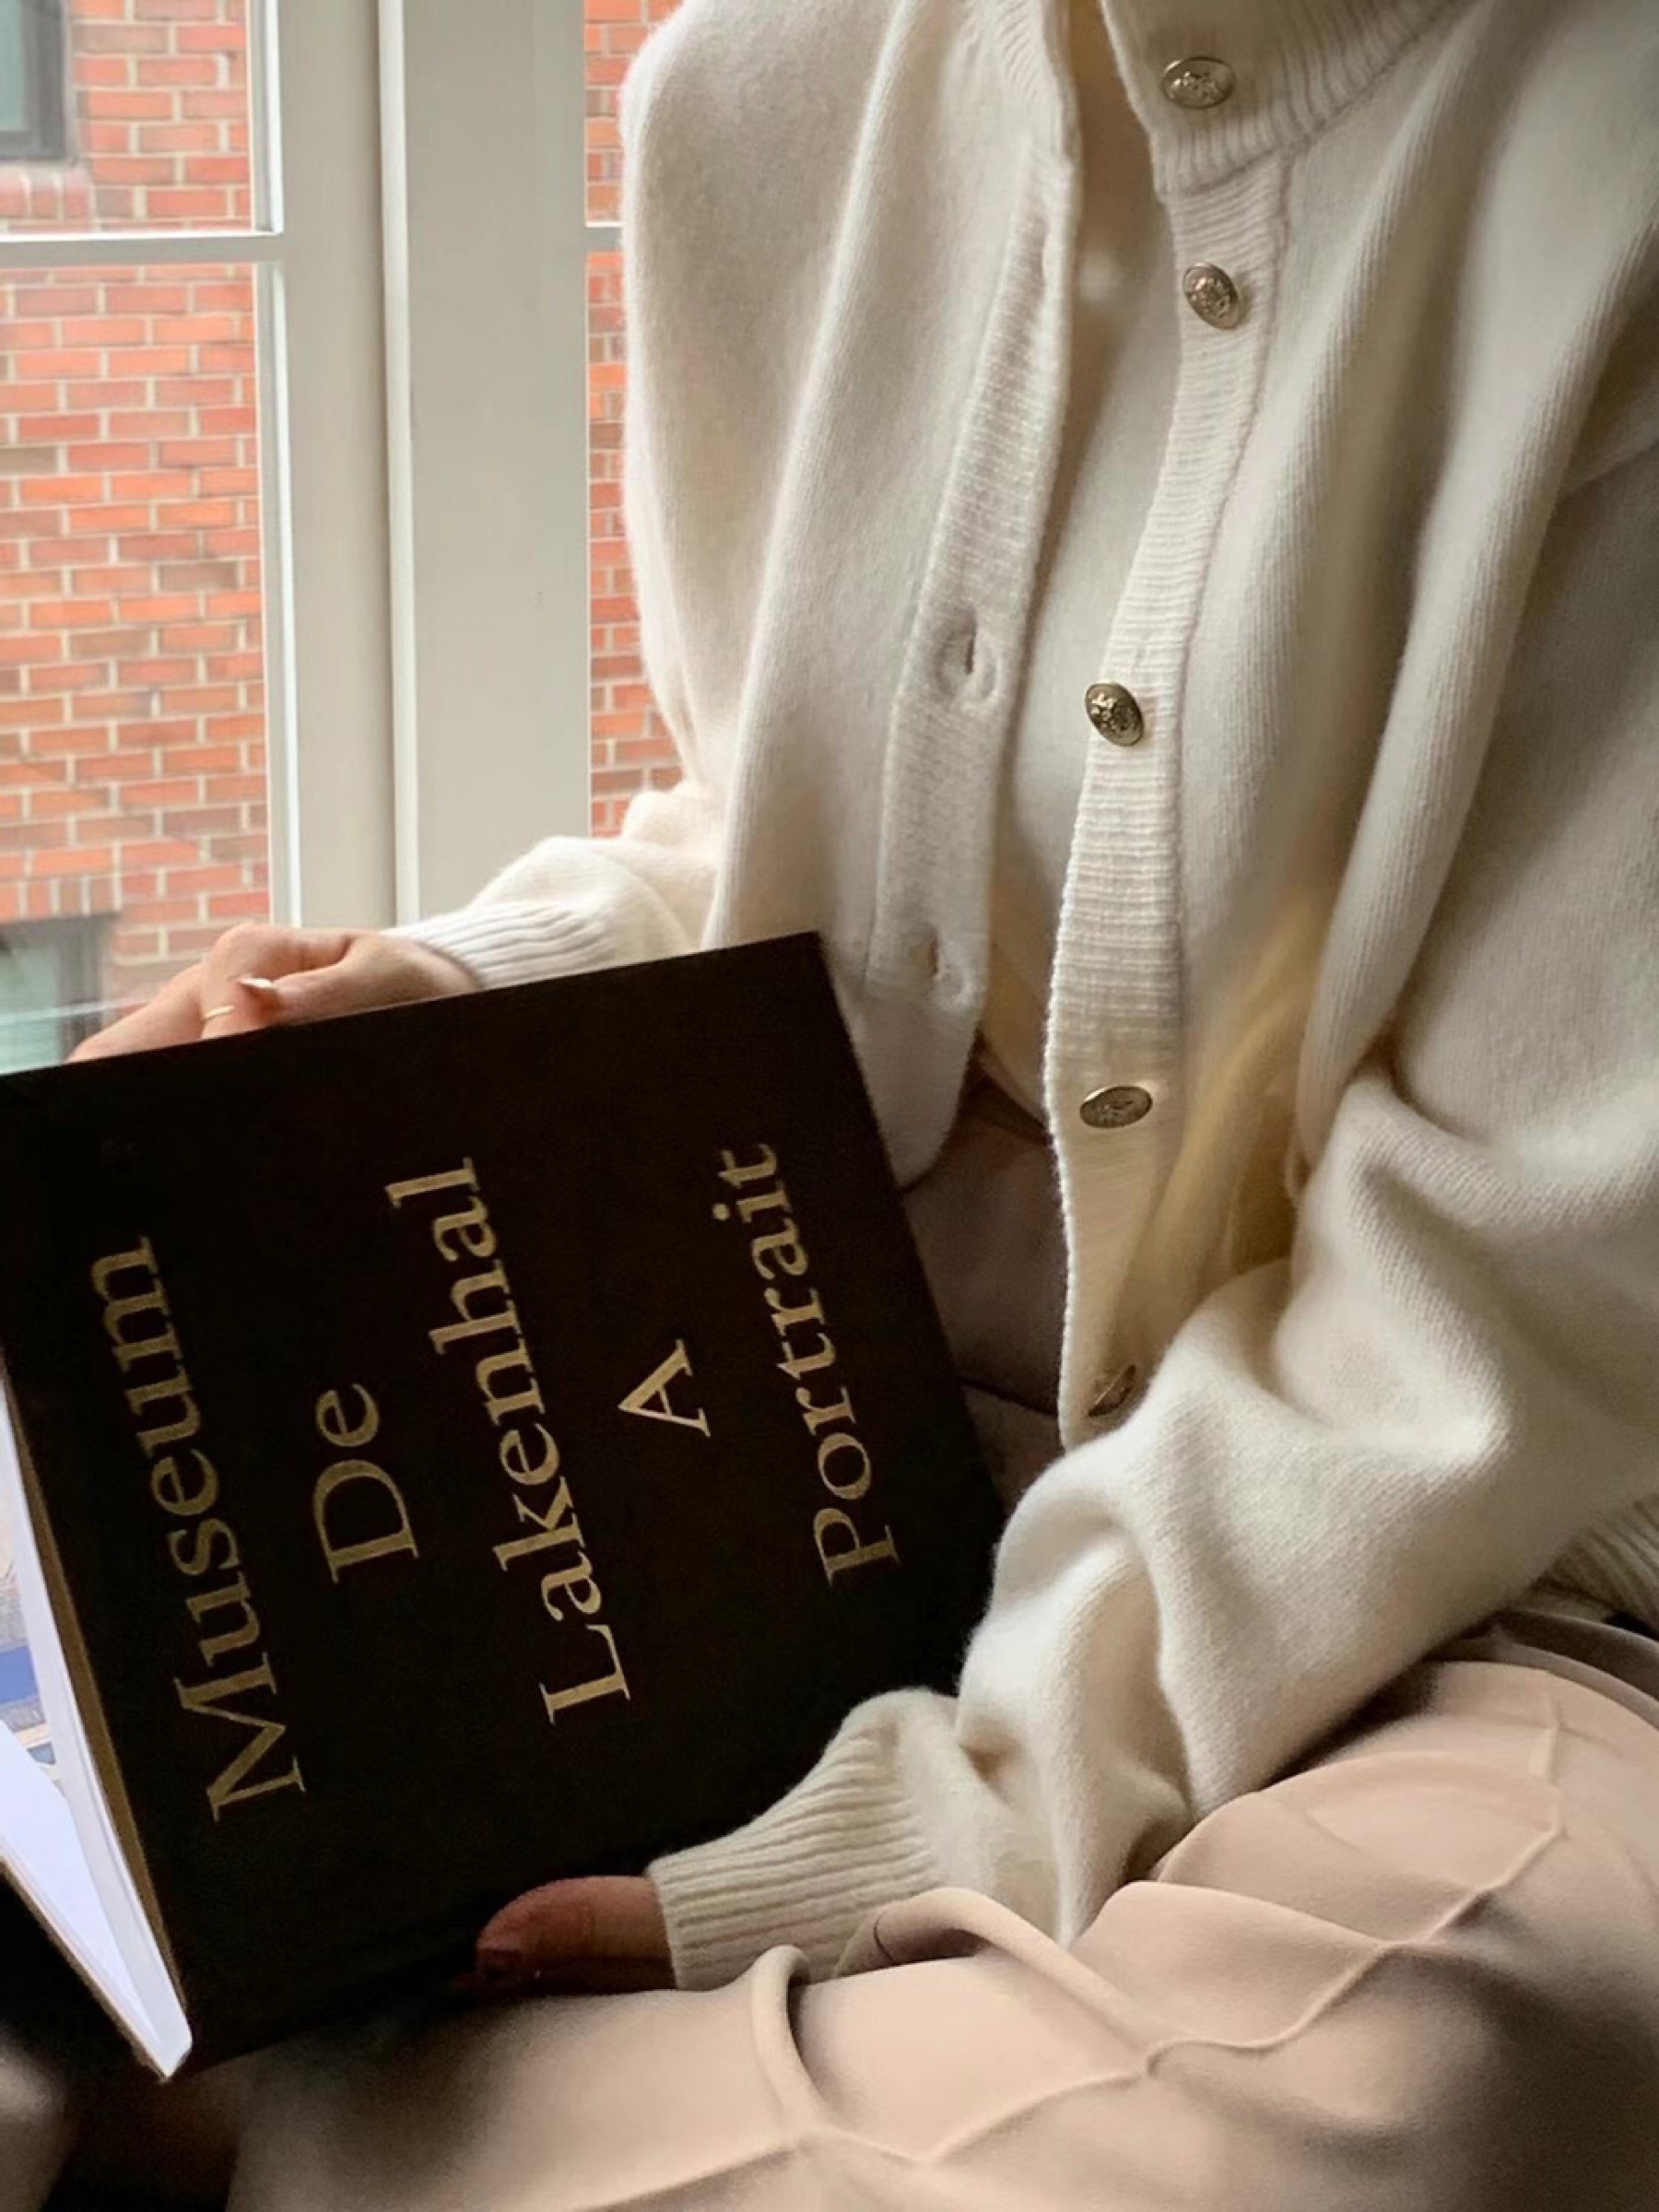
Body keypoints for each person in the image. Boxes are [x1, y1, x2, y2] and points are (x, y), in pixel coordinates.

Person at [20, 0, 1659, 2203]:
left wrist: (966, 1807)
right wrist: (434, 1008)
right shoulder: (755, 91)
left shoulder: (1612, 160)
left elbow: (1522, 1284)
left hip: (1491, 1563)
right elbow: (804, 839)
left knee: (1418, 2086)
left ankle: (276, 2096)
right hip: (788, 1481)